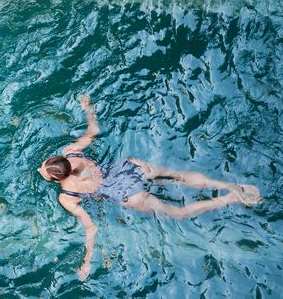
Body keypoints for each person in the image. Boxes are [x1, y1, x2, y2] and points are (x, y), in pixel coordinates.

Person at [37, 95, 263, 281]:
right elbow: (94, 130)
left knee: (178, 213)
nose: (40, 169)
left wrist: (87, 263)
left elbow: (91, 228)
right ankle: (229, 185)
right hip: (127, 168)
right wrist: (87, 107)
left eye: (44, 169)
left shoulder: (67, 197)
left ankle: (230, 199)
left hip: (126, 194)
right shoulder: (71, 153)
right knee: (178, 176)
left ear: (57, 180)